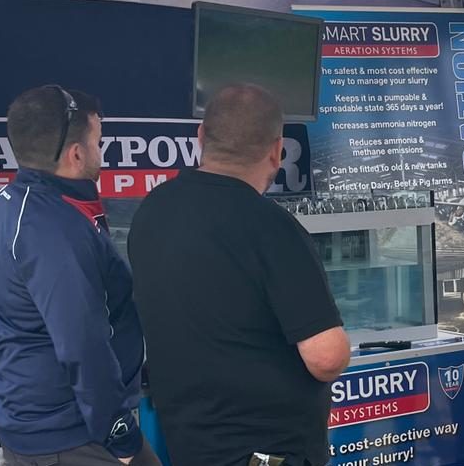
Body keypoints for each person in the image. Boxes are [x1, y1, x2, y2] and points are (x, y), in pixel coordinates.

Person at [128, 84, 350, 466]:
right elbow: (326, 357)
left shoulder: (152, 210)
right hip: (267, 451)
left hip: (189, 445)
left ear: (200, 137)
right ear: (277, 151)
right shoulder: (273, 228)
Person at [0, 85, 160, 466]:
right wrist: (118, 433)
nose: (101, 152)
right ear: (76, 154)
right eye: (98, 141)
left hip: (48, 421)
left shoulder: (6, 205)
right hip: (70, 434)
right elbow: (82, 343)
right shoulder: (53, 229)